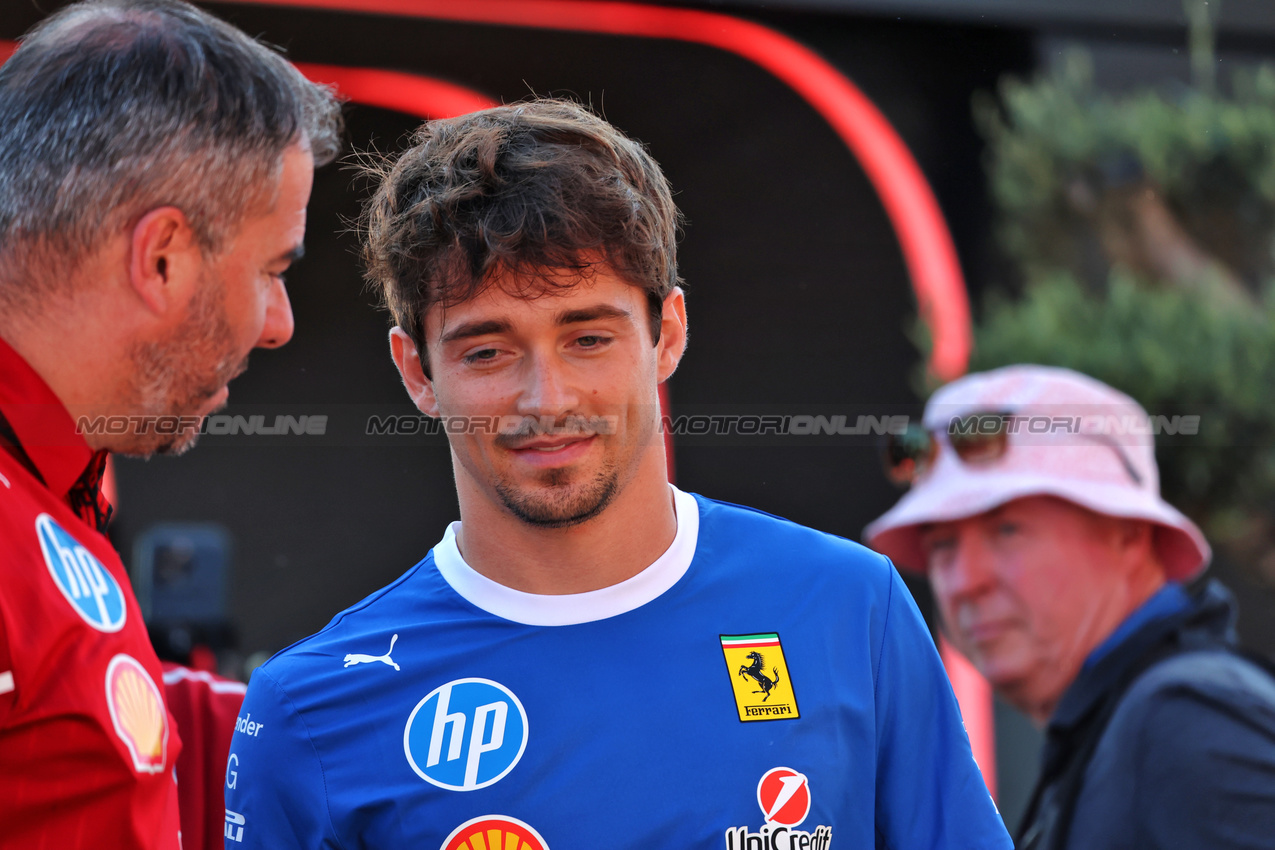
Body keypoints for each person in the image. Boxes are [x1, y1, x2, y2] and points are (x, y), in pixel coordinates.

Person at [225, 99, 1011, 850]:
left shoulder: (849, 608)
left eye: (588, 338)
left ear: (666, 333)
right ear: (417, 372)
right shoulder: (312, 707)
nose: (548, 399)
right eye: (487, 351)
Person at [0, 2, 341, 847]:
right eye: (271, 270)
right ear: (162, 259)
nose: (279, 323)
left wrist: (350, 720)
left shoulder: (54, 479)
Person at [865, 364, 1275, 850]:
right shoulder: (1125, 727)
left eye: (1007, 530)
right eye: (942, 546)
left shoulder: (1189, 723)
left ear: (1129, 536)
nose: (964, 581)